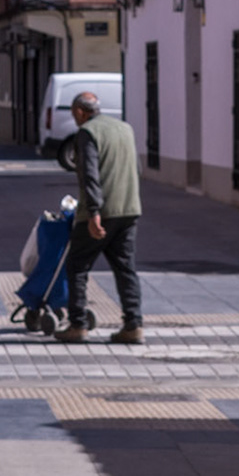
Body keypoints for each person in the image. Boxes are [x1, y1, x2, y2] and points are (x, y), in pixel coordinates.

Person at [56, 90, 143, 345]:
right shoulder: (125, 128)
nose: (75, 120)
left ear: (81, 112)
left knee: (77, 265)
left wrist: (93, 212)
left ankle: (78, 325)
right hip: (129, 209)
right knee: (126, 268)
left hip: (101, 213)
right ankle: (133, 325)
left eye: (74, 115)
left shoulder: (87, 133)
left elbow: (89, 174)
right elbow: (135, 168)